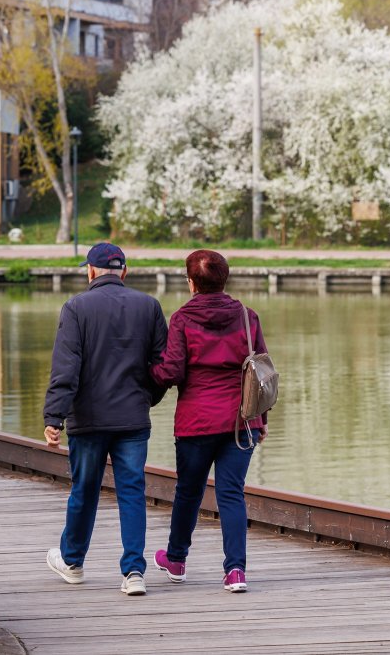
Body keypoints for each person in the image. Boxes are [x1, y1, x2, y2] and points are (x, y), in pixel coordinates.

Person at [44, 242, 168, 596]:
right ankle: (133, 573)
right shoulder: (149, 306)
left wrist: (55, 416)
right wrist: (146, 399)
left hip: (89, 420)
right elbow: (162, 368)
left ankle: (72, 561)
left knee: (84, 490)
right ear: (124, 272)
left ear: (91, 271)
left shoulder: (77, 307)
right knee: (132, 493)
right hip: (132, 419)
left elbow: (65, 369)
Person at [149, 249, 270, 594]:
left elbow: (171, 371)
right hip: (241, 420)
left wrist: (145, 375)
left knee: (188, 491)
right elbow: (262, 370)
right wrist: (262, 420)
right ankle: (235, 572)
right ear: (224, 279)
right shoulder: (247, 317)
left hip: (196, 422)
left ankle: (176, 560)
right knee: (231, 494)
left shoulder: (182, 319)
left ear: (191, 283)